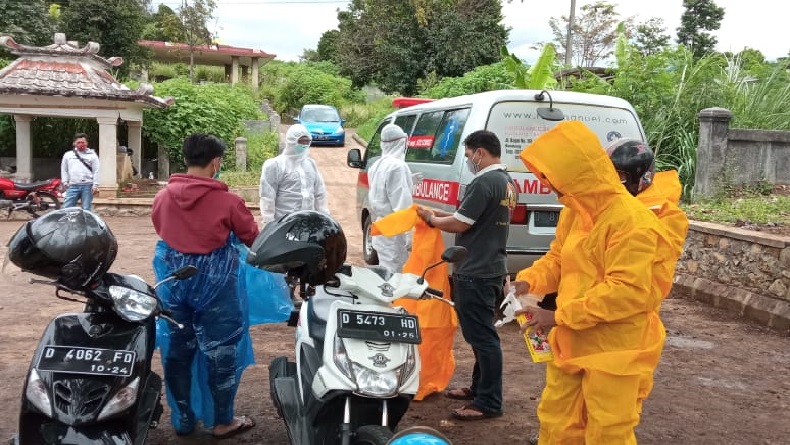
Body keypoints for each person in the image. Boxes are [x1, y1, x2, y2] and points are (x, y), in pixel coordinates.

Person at [511, 121, 674, 444]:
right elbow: (557, 259)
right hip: (571, 341)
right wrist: (527, 282)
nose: (552, 189)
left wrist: (556, 316)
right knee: (556, 422)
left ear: (581, 175)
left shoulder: (633, 222)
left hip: (617, 350)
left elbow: (627, 292)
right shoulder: (576, 211)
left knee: (607, 431)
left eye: (556, 180)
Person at [151, 133, 259, 439]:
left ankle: (184, 418)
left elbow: (161, 230)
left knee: (178, 351)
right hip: (217, 288)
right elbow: (252, 238)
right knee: (221, 354)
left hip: (174, 283)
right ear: (216, 162)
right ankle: (222, 421)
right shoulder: (228, 201)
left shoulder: (162, 197)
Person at [416, 130, 516, 421]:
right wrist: (438, 216)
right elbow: (478, 222)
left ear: (481, 152)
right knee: (481, 334)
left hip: (477, 270)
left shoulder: (484, 181)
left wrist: (433, 220)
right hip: (492, 267)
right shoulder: (507, 182)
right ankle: (478, 389)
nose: (469, 160)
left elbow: (461, 224)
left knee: (483, 338)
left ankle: (489, 401)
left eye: (470, 154)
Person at [259, 123, 330, 225]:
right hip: (283, 225)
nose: (304, 145)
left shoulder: (311, 164)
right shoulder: (275, 165)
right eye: (301, 142)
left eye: (307, 142)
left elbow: (320, 194)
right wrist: (269, 224)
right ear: (291, 141)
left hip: (308, 224)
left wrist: (324, 218)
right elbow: (267, 197)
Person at [368, 123, 415, 273]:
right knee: (395, 277)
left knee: (385, 270)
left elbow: (382, 194)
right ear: (402, 142)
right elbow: (403, 206)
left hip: (382, 226)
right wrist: (409, 235)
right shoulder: (398, 167)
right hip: (395, 231)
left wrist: (409, 181)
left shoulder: (376, 165)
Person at [60, 133, 100, 210]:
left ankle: (85, 222)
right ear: (74, 143)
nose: (81, 144)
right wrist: (65, 182)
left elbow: (96, 171)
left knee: (86, 208)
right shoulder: (68, 155)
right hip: (72, 185)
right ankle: (68, 222)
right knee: (67, 208)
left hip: (88, 186)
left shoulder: (92, 155)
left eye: (83, 142)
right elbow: (64, 169)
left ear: (87, 143)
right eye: (78, 142)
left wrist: (95, 185)